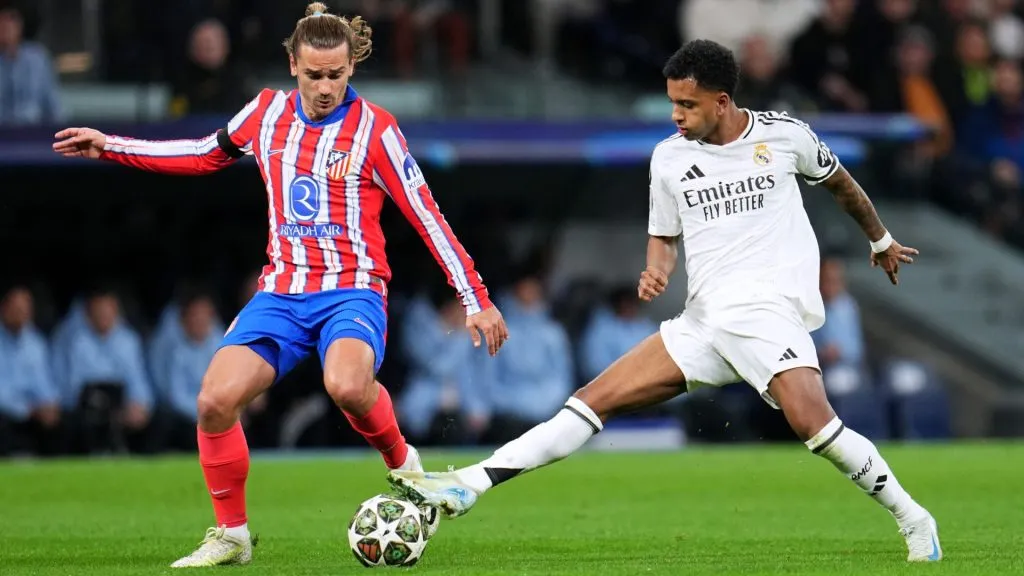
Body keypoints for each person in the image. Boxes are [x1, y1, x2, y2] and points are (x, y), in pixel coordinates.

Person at [388, 39, 942, 563]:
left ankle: (915, 517)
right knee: (590, 400)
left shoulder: (785, 137)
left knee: (816, 429)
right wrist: (656, 270)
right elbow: (663, 235)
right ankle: (470, 483)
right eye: (672, 102)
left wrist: (881, 239)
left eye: (687, 104)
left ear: (722, 101)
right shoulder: (669, 159)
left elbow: (841, 182)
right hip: (701, 323)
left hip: (766, 313)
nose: (676, 115)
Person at [52, 2, 508, 567]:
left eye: (335, 75)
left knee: (345, 385)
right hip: (283, 292)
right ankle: (232, 535)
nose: (324, 87)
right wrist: (112, 146)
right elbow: (202, 154)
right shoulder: (265, 113)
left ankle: (404, 466)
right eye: (313, 74)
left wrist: (476, 299)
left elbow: (426, 215)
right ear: (293, 64)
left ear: (351, 70)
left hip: (352, 289)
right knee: (214, 401)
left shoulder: (376, 131)